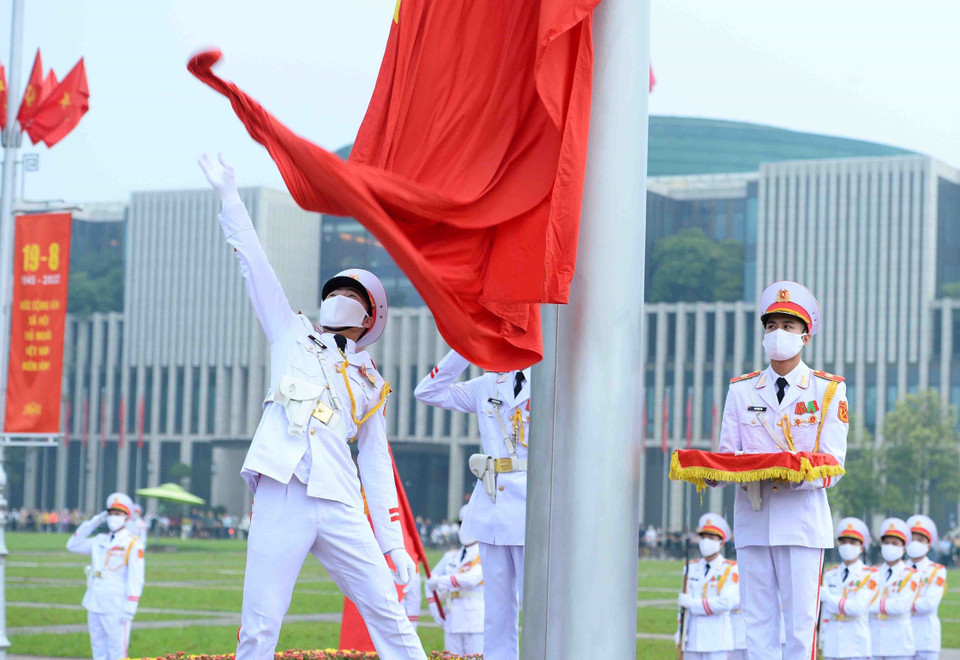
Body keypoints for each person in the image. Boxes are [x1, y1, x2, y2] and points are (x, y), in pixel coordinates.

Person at [197, 153, 425, 660]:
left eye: (351, 293)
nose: (339, 296)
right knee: (259, 623)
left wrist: (392, 542)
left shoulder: (372, 383)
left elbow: (375, 464)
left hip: (340, 500)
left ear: (370, 317)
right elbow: (255, 266)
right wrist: (230, 199)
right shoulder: (291, 334)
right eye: (336, 289)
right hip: (284, 492)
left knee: (389, 611)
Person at [715, 280, 848, 659]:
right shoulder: (741, 390)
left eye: (788, 327)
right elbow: (729, 455)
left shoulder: (826, 391)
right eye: (771, 326)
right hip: (754, 519)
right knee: (756, 623)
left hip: (801, 522)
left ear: (805, 337)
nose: (778, 334)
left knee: (800, 626)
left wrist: (792, 472)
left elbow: (834, 466)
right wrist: (716, 471)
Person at [415, 350, 528, 660]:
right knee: (496, 609)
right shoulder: (486, 384)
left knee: (538, 607)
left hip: (534, 507)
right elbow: (427, 391)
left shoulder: (548, 379)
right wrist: (465, 348)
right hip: (493, 504)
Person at [66, 492, 145, 660]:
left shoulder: (132, 543)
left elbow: (136, 578)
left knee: (117, 652)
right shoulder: (99, 540)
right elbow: (72, 544)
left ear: (126, 517)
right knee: (98, 649)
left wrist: (130, 608)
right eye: (110, 514)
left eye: (117, 514)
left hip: (117, 604)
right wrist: (95, 521)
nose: (113, 517)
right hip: (95, 601)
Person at [674, 514, 739, 660]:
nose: (706, 541)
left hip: (717, 641)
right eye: (703, 537)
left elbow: (725, 603)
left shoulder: (730, 569)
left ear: (721, 543)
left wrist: (693, 604)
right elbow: (683, 607)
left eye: (711, 537)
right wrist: (680, 630)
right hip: (692, 639)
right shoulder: (690, 567)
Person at [819, 517, 878, 660]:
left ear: (861, 547)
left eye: (852, 542)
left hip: (856, 643)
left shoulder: (870, 575)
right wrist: (821, 639)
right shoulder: (830, 574)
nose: (847, 546)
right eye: (843, 542)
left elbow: (857, 608)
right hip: (832, 641)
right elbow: (825, 613)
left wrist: (828, 598)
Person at [427, 524, 485, 656]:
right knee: (451, 658)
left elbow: (471, 579)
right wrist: (436, 611)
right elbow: (430, 581)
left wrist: (441, 582)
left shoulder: (483, 554)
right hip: (452, 617)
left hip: (474, 620)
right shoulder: (451, 556)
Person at [869, 518, 922, 660]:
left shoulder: (911, 574)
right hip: (874, 639)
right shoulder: (872, 573)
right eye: (886, 543)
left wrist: (871, 605)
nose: (889, 546)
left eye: (894, 543)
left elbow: (901, 606)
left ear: (903, 548)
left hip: (899, 642)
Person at [905, 514, 946, 660]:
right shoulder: (900, 569)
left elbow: (929, 604)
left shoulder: (936, 570)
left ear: (929, 545)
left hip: (926, 638)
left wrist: (899, 605)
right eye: (912, 539)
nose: (915, 543)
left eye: (920, 540)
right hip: (902, 637)